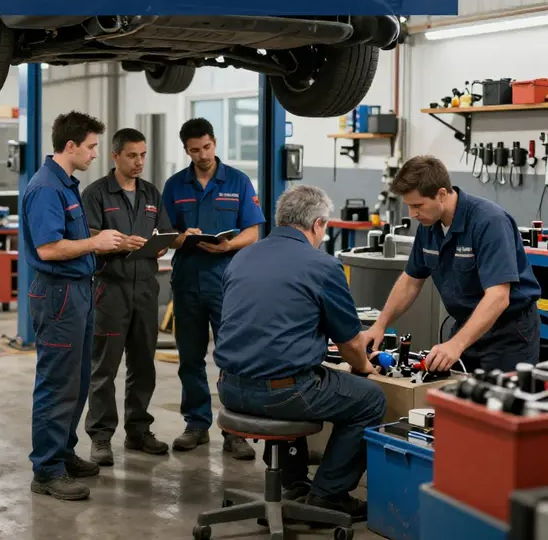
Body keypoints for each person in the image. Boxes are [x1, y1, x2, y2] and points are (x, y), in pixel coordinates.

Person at [215, 184, 386, 520]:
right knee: (369, 400)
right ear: (318, 224)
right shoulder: (322, 266)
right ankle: (328, 495)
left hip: (230, 388)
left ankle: (294, 483)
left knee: (295, 376)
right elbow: (351, 344)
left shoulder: (242, 256)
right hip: (280, 393)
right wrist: (366, 367)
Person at [23, 111, 127, 502]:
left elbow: (72, 236)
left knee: (78, 380)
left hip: (78, 290)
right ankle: (46, 470)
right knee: (56, 383)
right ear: (70, 146)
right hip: (58, 294)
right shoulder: (47, 188)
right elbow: (49, 248)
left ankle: (63, 454)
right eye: (92, 146)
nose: (95, 154)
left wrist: (109, 237)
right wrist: (94, 245)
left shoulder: (65, 184)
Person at [363, 155, 541, 373]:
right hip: (466, 327)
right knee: (454, 399)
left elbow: (498, 297)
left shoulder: (489, 222)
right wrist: (379, 325)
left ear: (441, 194)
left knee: (497, 403)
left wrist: (456, 345)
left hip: (508, 333)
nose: (412, 214)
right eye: (408, 206)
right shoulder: (428, 227)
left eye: (418, 205)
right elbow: (411, 281)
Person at [160, 117, 265, 460]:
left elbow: (253, 231)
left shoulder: (236, 181)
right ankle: (196, 425)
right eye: (194, 150)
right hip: (188, 281)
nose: (202, 155)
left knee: (232, 357)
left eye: (206, 147)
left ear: (215, 142)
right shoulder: (175, 185)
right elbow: (163, 234)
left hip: (228, 281)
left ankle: (235, 430)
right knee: (190, 357)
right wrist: (181, 238)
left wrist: (228, 246)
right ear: (186, 150)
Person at [82, 128, 174, 466]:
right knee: (104, 366)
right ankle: (101, 436)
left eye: (143, 155)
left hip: (146, 287)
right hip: (111, 288)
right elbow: (86, 234)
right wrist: (118, 242)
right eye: (132, 155)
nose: (139, 162)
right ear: (115, 156)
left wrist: (163, 242)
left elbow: (162, 231)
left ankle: (138, 430)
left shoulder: (151, 192)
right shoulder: (96, 194)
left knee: (142, 364)